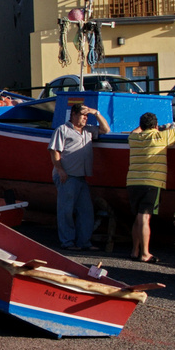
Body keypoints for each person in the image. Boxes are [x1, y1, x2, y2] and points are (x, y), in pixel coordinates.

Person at [126, 112, 175, 263]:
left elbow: (135, 131)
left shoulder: (133, 138)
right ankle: (145, 253)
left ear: (141, 126)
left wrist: (148, 127)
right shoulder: (161, 137)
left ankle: (135, 251)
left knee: (138, 216)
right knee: (144, 217)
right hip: (152, 183)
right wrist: (166, 127)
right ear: (155, 126)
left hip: (133, 183)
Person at [49, 103, 103, 250]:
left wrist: (95, 113)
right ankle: (67, 242)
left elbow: (106, 129)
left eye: (86, 116)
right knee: (65, 211)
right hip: (67, 176)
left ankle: (84, 242)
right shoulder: (62, 130)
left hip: (81, 176)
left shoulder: (88, 131)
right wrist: (60, 170)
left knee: (86, 211)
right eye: (82, 115)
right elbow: (54, 151)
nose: (85, 118)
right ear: (73, 115)